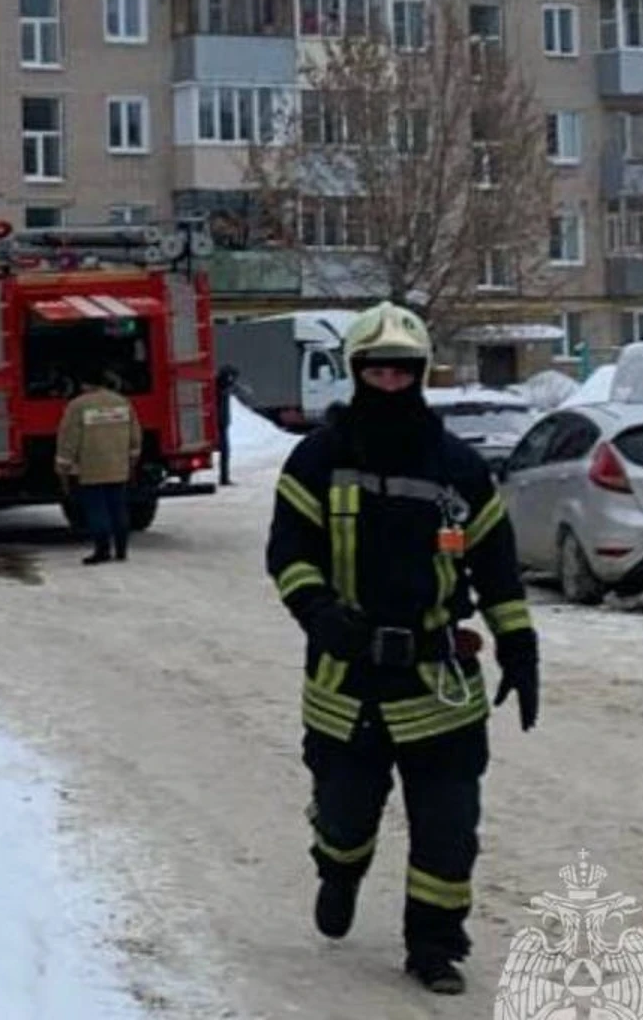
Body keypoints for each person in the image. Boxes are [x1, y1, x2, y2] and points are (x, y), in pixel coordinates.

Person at [263, 301, 539, 996]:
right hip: (345, 682)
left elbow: (497, 565)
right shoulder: (319, 458)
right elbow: (288, 552)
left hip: (439, 683)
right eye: (378, 370)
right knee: (347, 816)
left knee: (449, 830)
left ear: (420, 376)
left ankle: (436, 946)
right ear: (357, 373)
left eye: (403, 372)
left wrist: (519, 644)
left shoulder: (459, 469)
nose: (390, 383)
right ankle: (338, 867)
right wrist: (317, 610)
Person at [55, 371, 142, 564]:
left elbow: (69, 439)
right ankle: (121, 550)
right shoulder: (122, 402)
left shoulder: (77, 406)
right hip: (118, 467)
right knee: (118, 508)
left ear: (86, 385)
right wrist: (132, 458)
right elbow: (135, 434)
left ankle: (102, 551)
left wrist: (63, 466)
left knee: (97, 510)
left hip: (91, 468)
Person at [215, 364, 240, 486]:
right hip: (220, 422)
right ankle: (224, 477)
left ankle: (224, 476)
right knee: (225, 451)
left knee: (225, 451)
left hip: (222, 422)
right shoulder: (221, 388)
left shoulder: (221, 387)